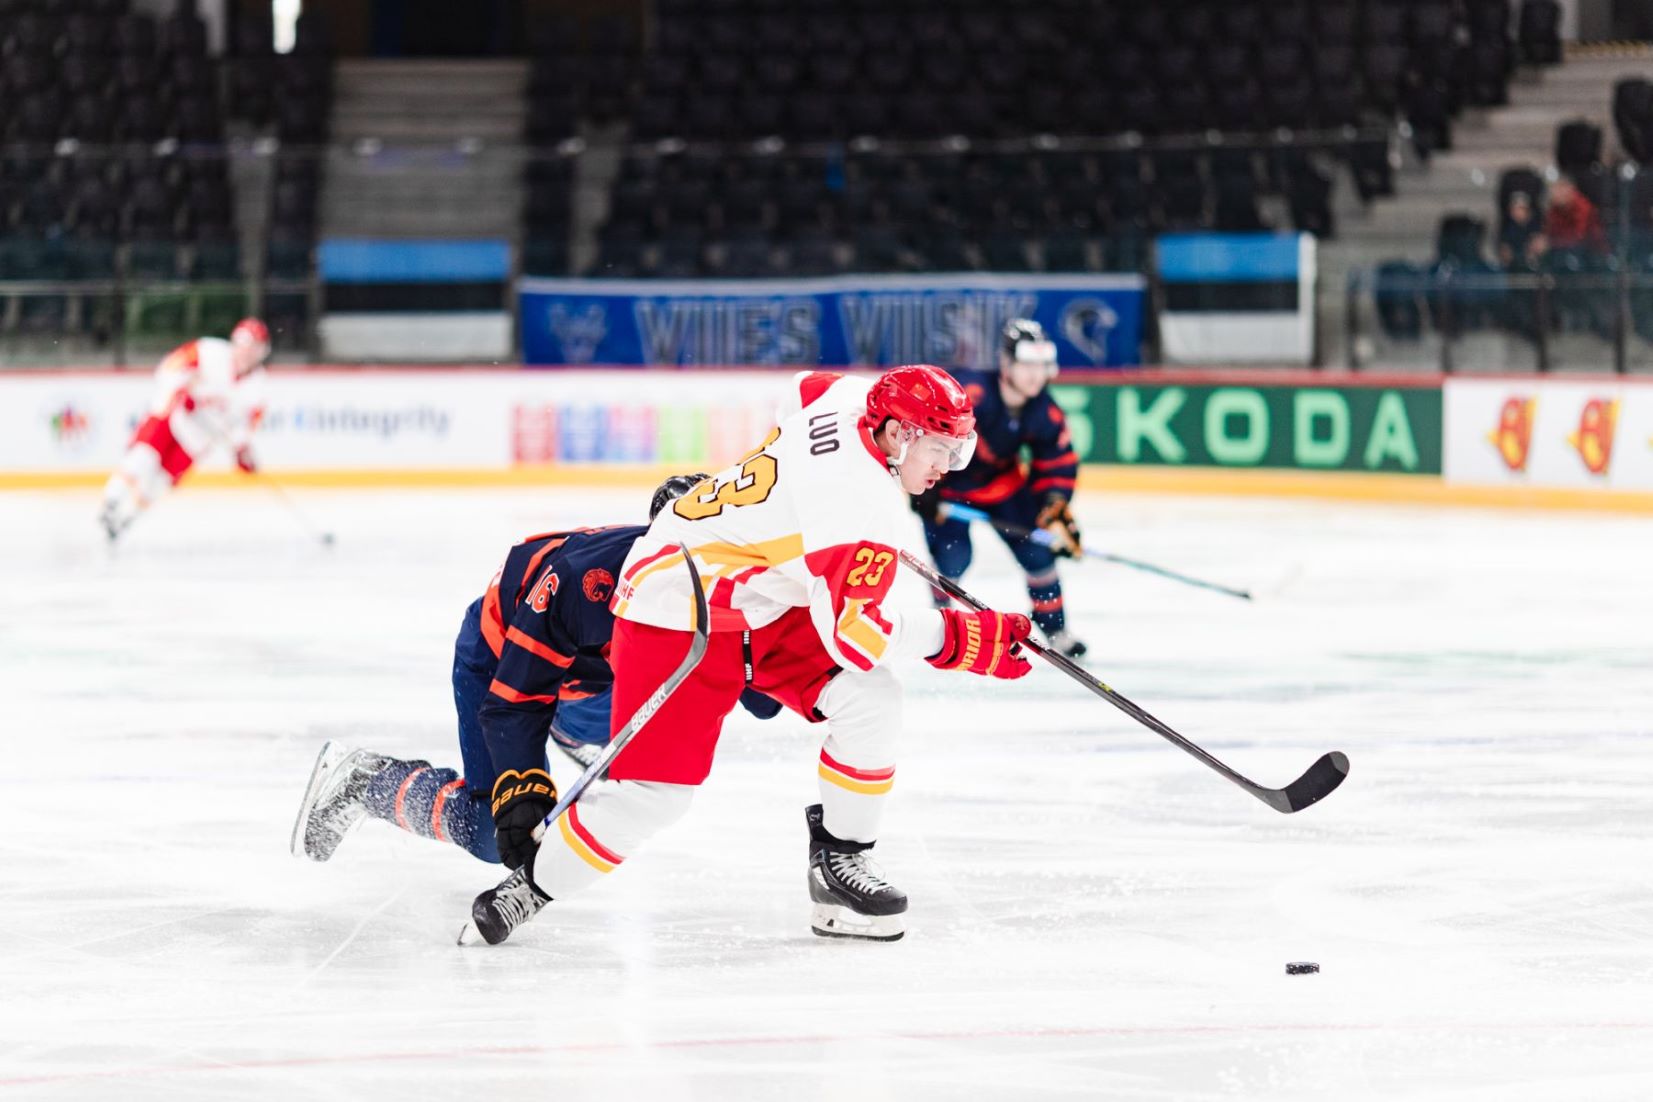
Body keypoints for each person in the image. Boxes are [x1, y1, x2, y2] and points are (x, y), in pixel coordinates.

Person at [467, 365, 1035, 946]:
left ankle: (840, 864)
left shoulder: (851, 398)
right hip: (674, 605)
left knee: (871, 700)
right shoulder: (862, 510)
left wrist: (779, 506)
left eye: (958, 451)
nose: (947, 467)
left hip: (758, 597)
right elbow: (856, 638)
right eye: (941, 450)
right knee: (652, 797)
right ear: (896, 433)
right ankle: (530, 887)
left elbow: (802, 387)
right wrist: (961, 639)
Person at [290, 475, 782, 869]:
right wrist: (522, 784)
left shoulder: (731, 580)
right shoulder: (580, 582)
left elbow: (761, 689)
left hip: (593, 682)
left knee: (627, 746)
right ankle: (367, 781)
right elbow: (518, 696)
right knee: (491, 836)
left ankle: (572, 730)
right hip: (501, 664)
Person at [914, 318, 1087, 658]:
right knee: (952, 559)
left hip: (1003, 487)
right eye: (1027, 364)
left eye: (1043, 364)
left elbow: (1057, 460)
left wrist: (1053, 504)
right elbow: (927, 435)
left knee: (1039, 553)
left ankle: (1056, 629)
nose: (1036, 374)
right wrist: (924, 487)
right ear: (1006, 363)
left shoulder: (1045, 410)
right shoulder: (968, 394)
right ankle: (937, 622)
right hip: (949, 490)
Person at [99, 317, 272, 542]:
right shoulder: (208, 351)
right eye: (244, 345)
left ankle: (127, 520)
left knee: (159, 483)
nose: (247, 353)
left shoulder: (259, 386)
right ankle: (111, 503)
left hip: (198, 440)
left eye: (254, 348)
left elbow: (245, 425)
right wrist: (180, 386)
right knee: (142, 457)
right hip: (171, 416)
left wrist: (241, 449)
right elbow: (169, 366)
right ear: (235, 343)